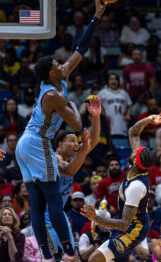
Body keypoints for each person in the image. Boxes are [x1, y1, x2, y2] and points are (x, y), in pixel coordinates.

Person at [15, 0, 106, 262]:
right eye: (56, 63)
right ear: (51, 72)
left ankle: (46, 250)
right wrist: (80, 106)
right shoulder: (53, 94)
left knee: (38, 202)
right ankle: (67, 247)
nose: (60, 62)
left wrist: (97, 15)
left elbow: (81, 49)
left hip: (25, 144)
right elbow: (77, 123)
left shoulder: (59, 77)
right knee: (53, 196)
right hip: (36, 142)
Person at [81, 112, 161, 262]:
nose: (133, 149)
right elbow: (133, 132)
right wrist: (148, 120)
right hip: (126, 223)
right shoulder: (138, 166)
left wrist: (97, 219)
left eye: (136, 151)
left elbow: (124, 224)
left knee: (95, 259)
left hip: (133, 230)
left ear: (135, 160)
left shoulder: (136, 186)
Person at [45, 96, 101, 260]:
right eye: (72, 141)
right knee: (60, 257)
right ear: (60, 145)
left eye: (78, 142)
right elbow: (66, 169)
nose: (77, 145)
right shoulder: (54, 157)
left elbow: (94, 141)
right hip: (46, 214)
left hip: (59, 214)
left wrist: (96, 117)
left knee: (72, 257)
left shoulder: (73, 159)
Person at [98, 73, 132, 137]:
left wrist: (128, 115)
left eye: (115, 79)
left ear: (118, 81)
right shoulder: (102, 93)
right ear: (108, 81)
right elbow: (96, 104)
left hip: (122, 122)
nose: (113, 81)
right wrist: (102, 114)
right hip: (108, 123)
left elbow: (130, 105)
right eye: (111, 79)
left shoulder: (124, 93)